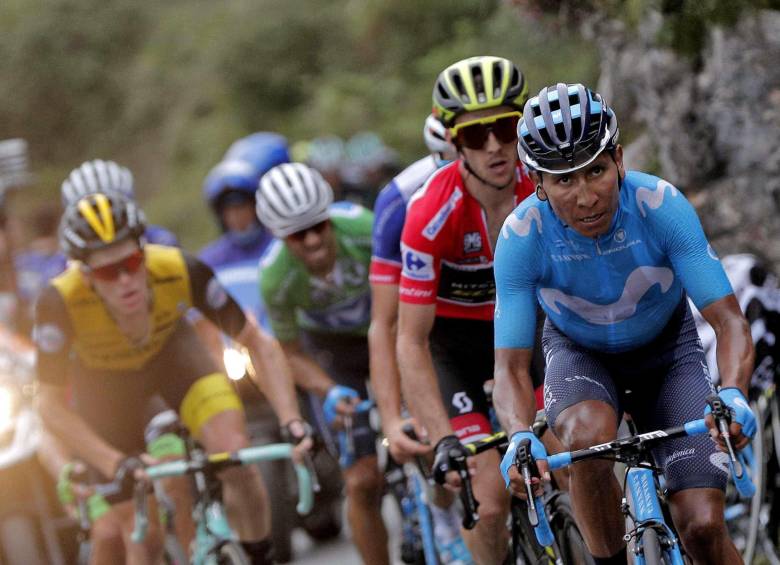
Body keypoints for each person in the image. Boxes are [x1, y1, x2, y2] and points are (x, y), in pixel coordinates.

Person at [493, 83, 754, 565]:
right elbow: (509, 367)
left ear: (618, 159)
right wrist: (518, 434)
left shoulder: (660, 205)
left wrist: (734, 391)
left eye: (595, 171)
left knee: (703, 527)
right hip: (580, 355)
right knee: (587, 436)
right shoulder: (522, 236)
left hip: (668, 353)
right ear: (538, 184)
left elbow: (729, 322)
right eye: (563, 181)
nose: (586, 196)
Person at [34, 177, 310, 565]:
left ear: (144, 251)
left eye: (132, 263)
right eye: (108, 273)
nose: (126, 280)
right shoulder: (58, 303)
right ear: (84, 275)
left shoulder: (180, 268)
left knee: (236, 459)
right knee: (141, 537)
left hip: (174, 361)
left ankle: (259, 555)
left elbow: (257, 342)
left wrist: (291, 419)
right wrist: (114, 462)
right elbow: (48, 405)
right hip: (108, 394)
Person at [396, 55, 534, 565]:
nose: (496, 145)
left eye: (505, 127)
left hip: (527, 335)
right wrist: (441, 439)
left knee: (571, 459)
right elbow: (409, 340)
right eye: (478, 136)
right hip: (453, 347)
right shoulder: (430, 213)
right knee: (490, 501)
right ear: (455, 144)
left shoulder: (543, 186)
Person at [255, 162, 389, 565]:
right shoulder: (274, 277)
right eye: (298, 235)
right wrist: (327, 391)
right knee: (362, 480)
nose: (313, 240)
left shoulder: (365, 229)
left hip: (386, 330)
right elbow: (289, 352)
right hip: (331, 355)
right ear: (280, 236)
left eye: (319, 226)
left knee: (428, 444)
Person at [369, 115, 470, 563]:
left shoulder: (511, 173)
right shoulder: (401, 203)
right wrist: (392, 420)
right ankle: (442, 508)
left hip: (497, 315)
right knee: (438, 440)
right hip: (438, 323)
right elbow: (388, 325)